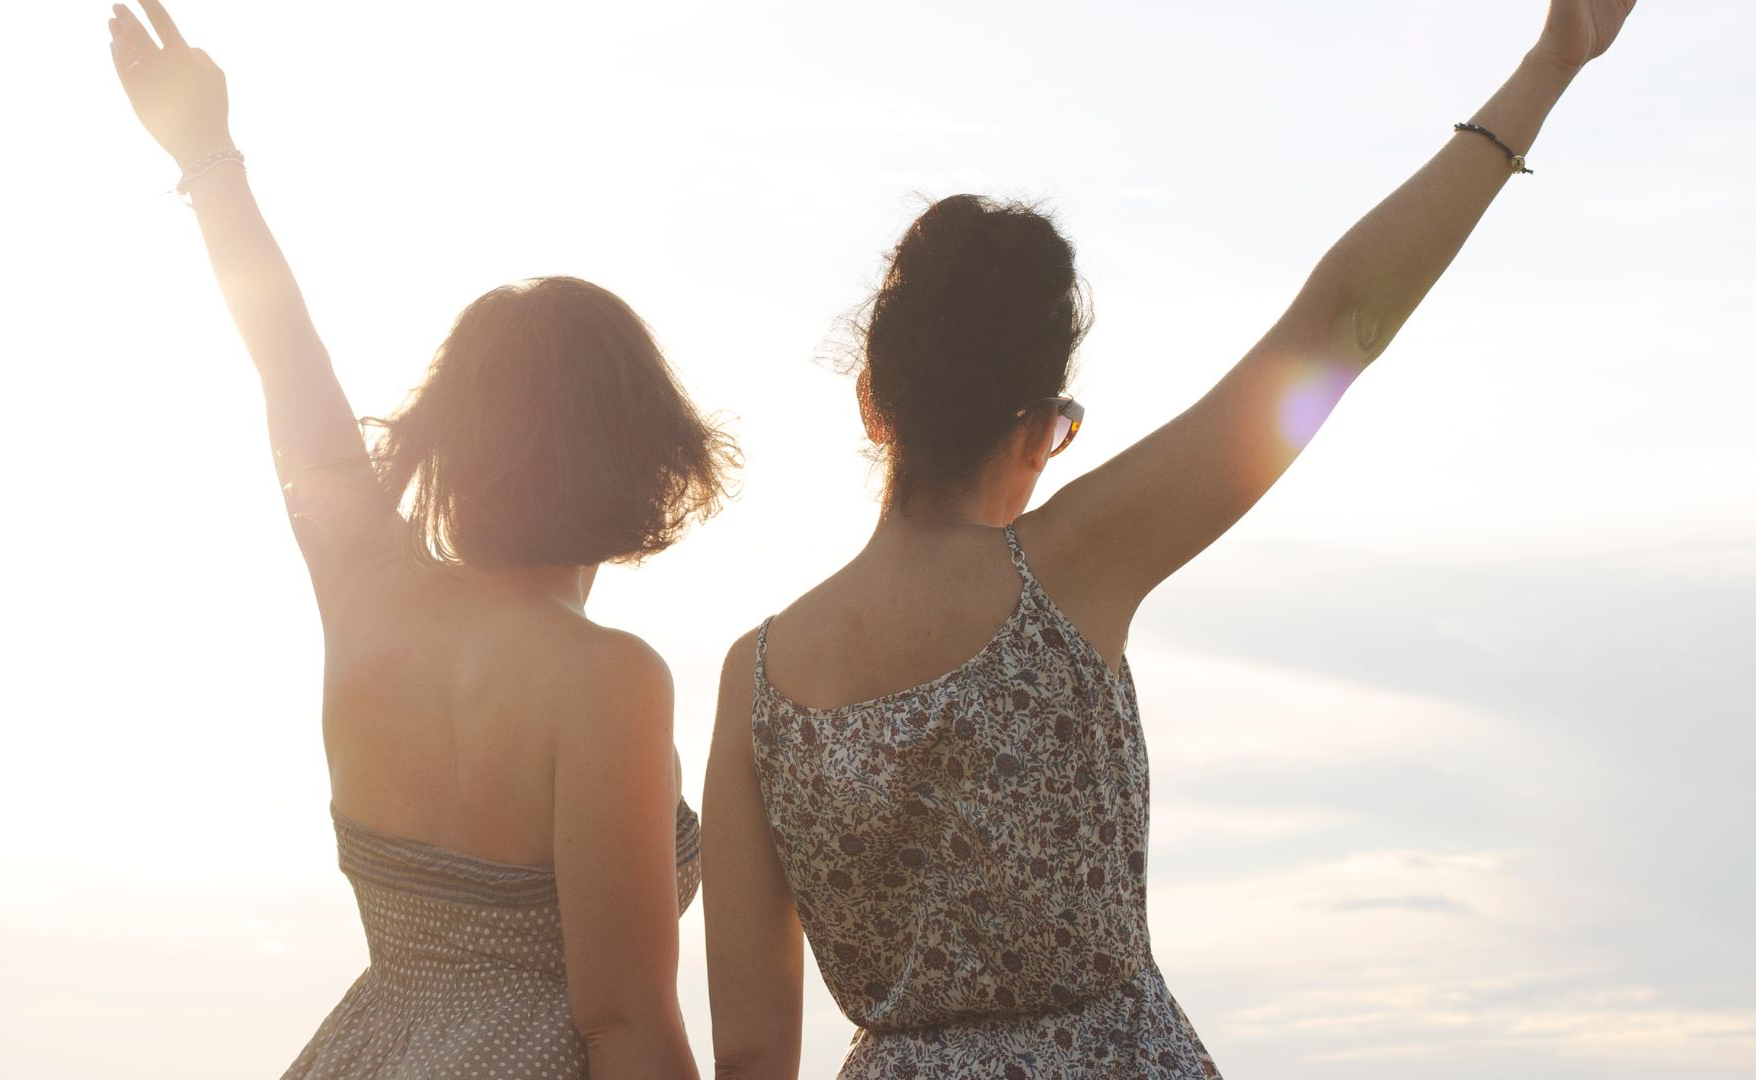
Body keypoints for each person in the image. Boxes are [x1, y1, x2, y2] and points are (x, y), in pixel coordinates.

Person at [701, 1, 1636, 1076]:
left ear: (874, 402)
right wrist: (1548, 66)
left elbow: (753, 1052)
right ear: (1033, 422)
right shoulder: (1067, 568)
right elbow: (1338, 325)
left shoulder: (754, 681)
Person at [106, 2, 730, 1076]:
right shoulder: (609, 681)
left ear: (451, 437)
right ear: (647, 456)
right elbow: (624, 1016)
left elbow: (286, 361)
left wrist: (208, 157)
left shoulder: (364, 587)